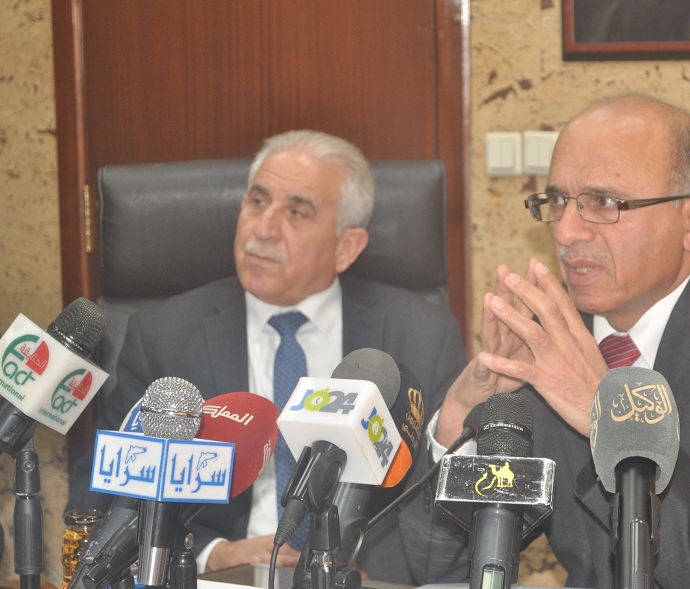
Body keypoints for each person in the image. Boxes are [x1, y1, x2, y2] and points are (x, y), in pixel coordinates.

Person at [399, 96, 690, 587]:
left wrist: (608, 419)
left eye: (604, 203)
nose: (566, 232)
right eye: (558, 201)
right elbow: (440, 567)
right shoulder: (548, 339)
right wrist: (460, 420)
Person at [68, 130, 467, 581]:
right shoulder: (164, 335)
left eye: (297, 212)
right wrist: (211, 554)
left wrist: (356, 571)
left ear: (346, 247)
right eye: (257, 202)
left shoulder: (421, 335)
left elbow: (443, 511)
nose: (263, 229)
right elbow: (101, 494)